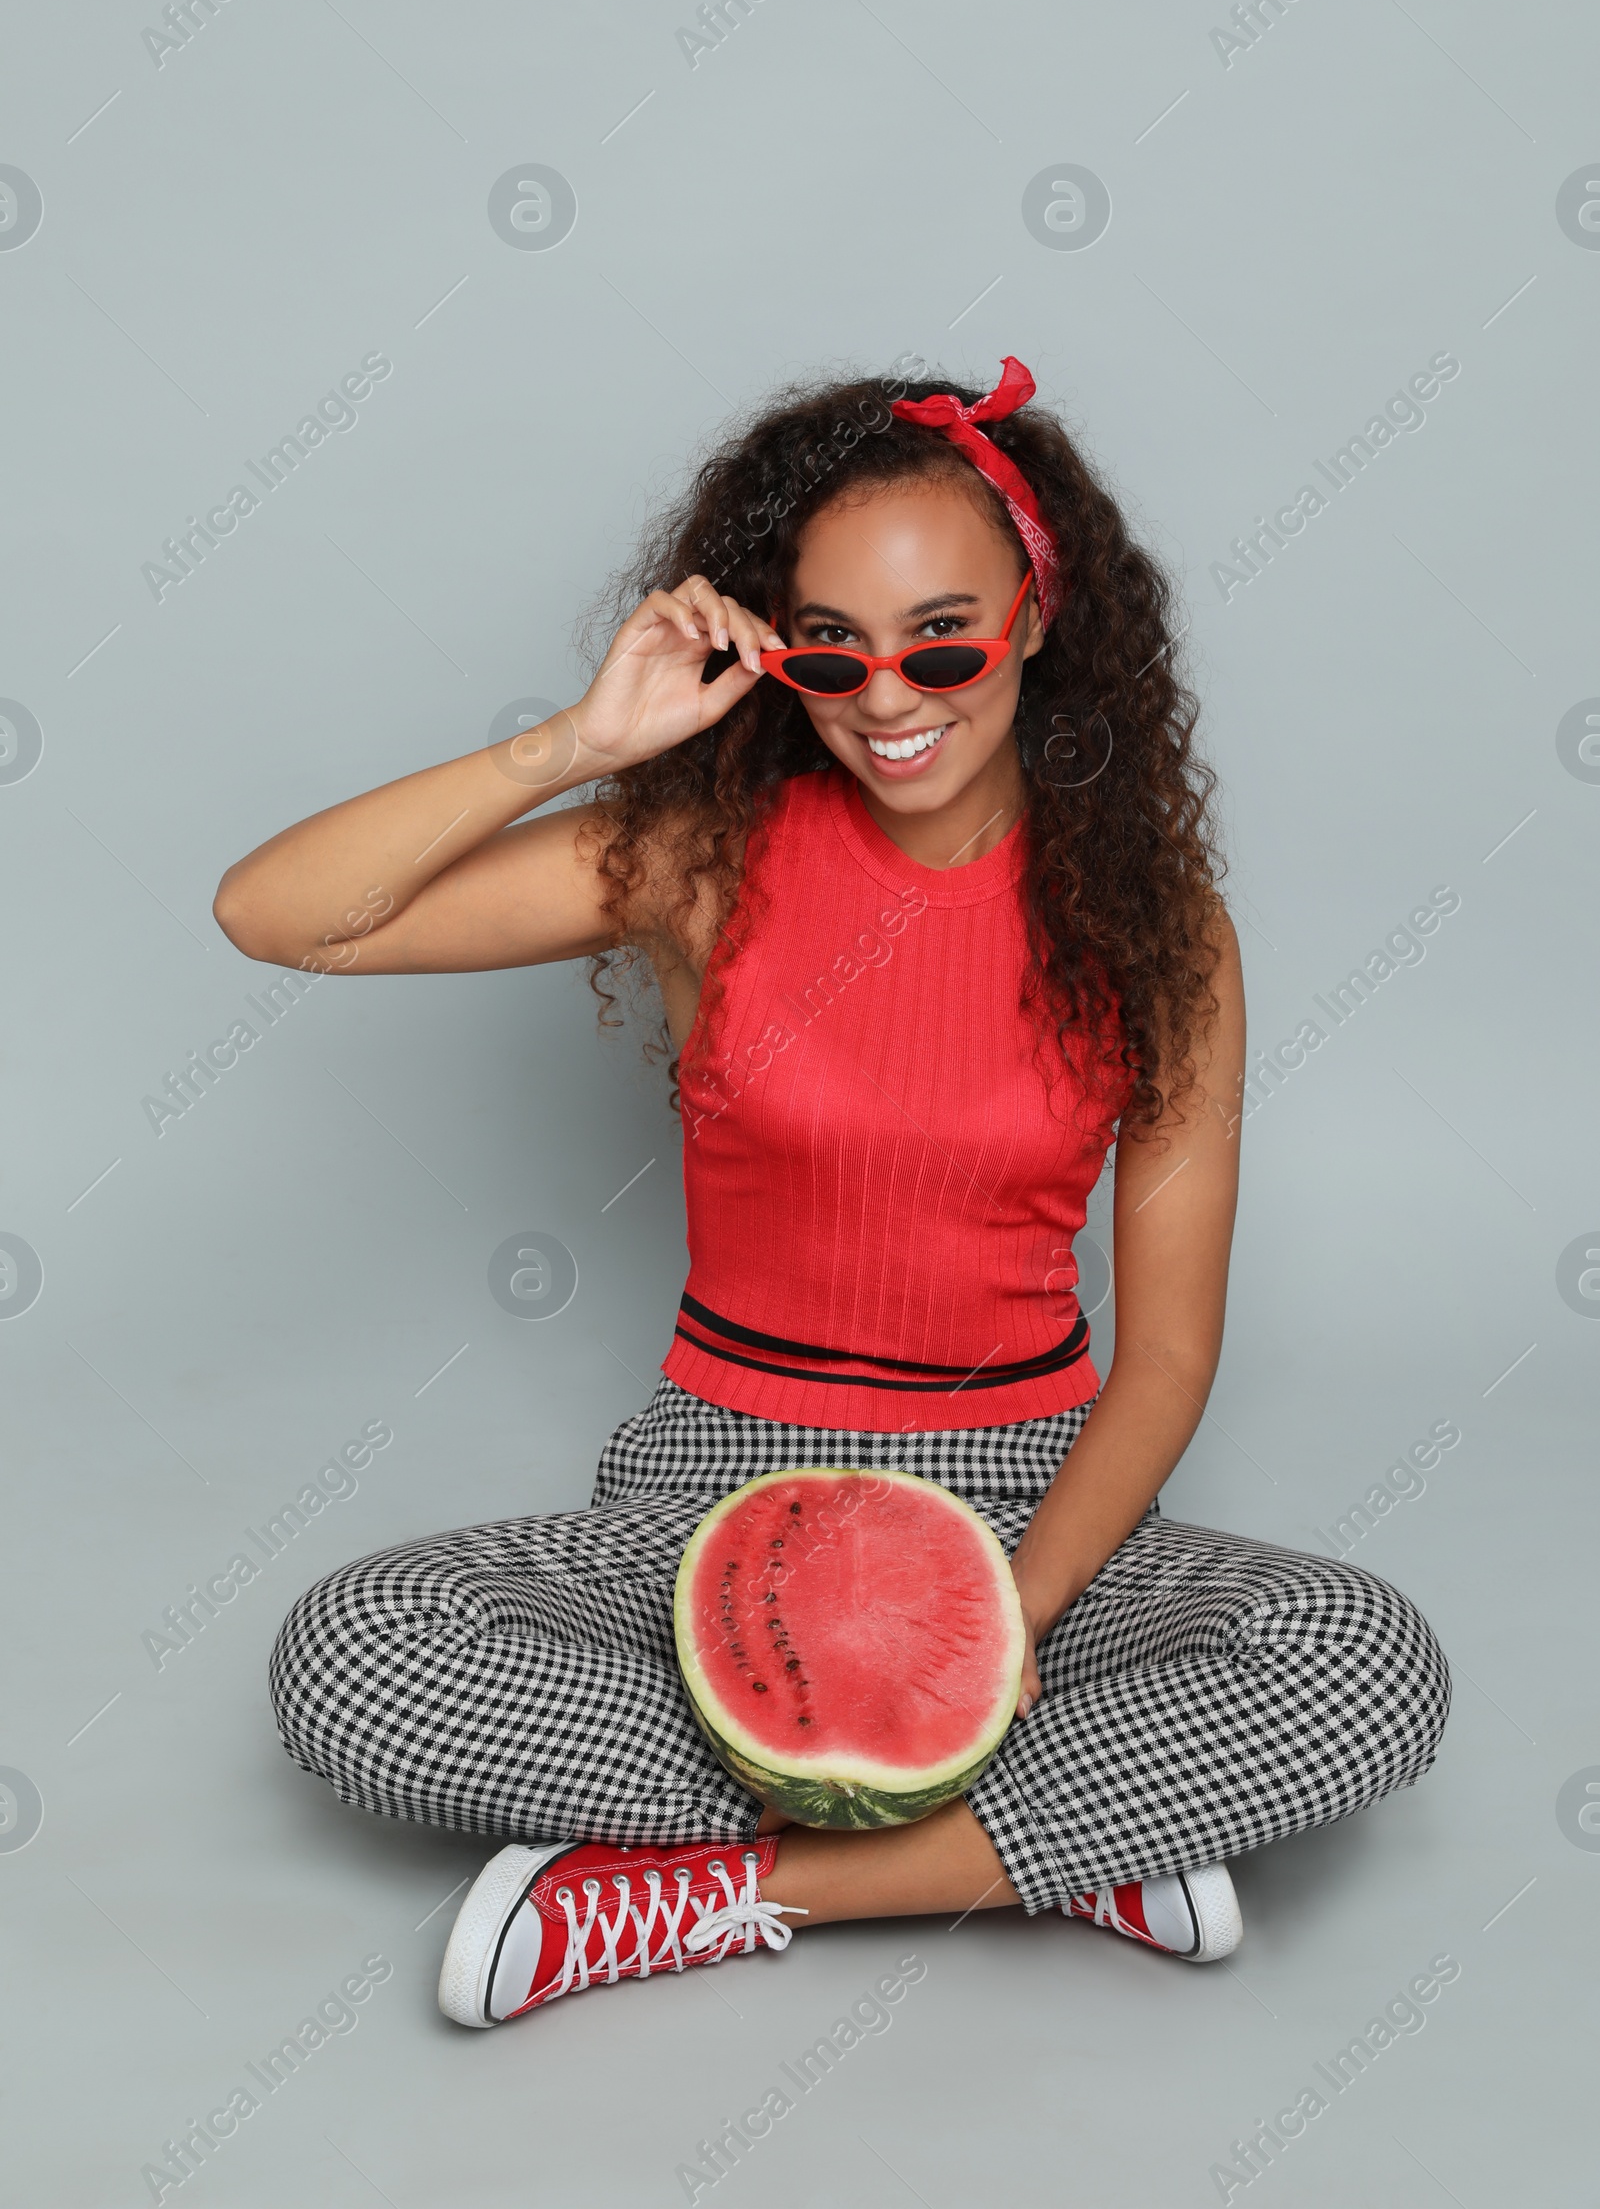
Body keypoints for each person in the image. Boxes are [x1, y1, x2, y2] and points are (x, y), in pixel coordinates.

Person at [217, 357, 1449, 2029]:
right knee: (357, 1657)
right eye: (830, 650)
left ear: (1034, 617)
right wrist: (578, 744)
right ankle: (1080, 1836)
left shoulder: (1161, 927)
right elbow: (284, 916)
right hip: (715, 1488)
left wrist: (989, 1640)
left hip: (1028, 1500)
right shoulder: (698, 860)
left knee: (1359, 1662)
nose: (889, 699)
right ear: (771, 651)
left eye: (941, 638)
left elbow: (1162, 1364)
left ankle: (702, 1896)